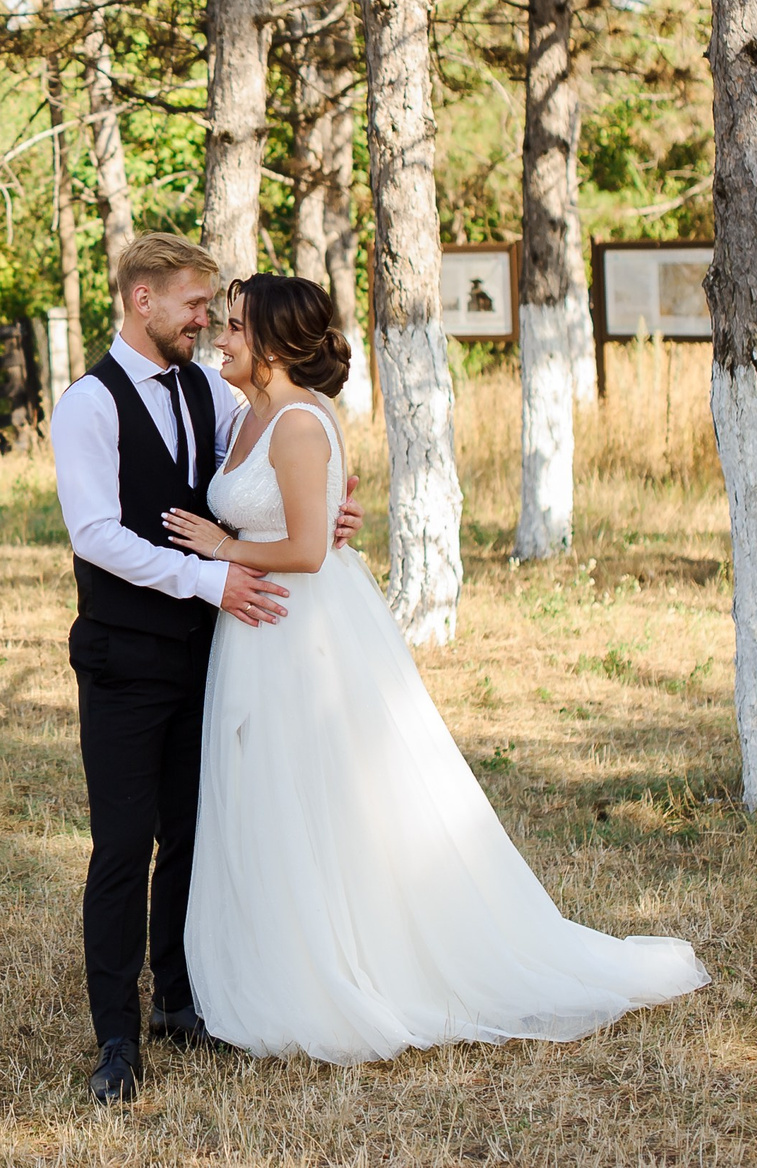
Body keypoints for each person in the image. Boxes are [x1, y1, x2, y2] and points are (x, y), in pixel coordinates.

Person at [165, 273, 710, 1066]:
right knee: (272, 796)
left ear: (276, 344)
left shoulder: (298, 426)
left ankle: (352, 965)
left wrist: (223, 549)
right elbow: (298, 512)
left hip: (304, 630)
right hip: (257, 627)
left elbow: (311, 549)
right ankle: (280, 955)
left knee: (319, 795)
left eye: (239, 326)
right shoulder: (250, 413)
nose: (223, 335)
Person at [49, 235, 362, 1106]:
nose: (207, 321)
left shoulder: (208, 389)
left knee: (195, 834)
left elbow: (261, 468)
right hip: (125, 655)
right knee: (123, 846)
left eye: (216, 311)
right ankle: (116, 1035)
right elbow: (98, 536)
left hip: (215, 653)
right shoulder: (88, 405)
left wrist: (323, 512)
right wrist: (215, 575)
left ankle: (180, 1001)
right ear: (141, 300)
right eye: (195, 305)